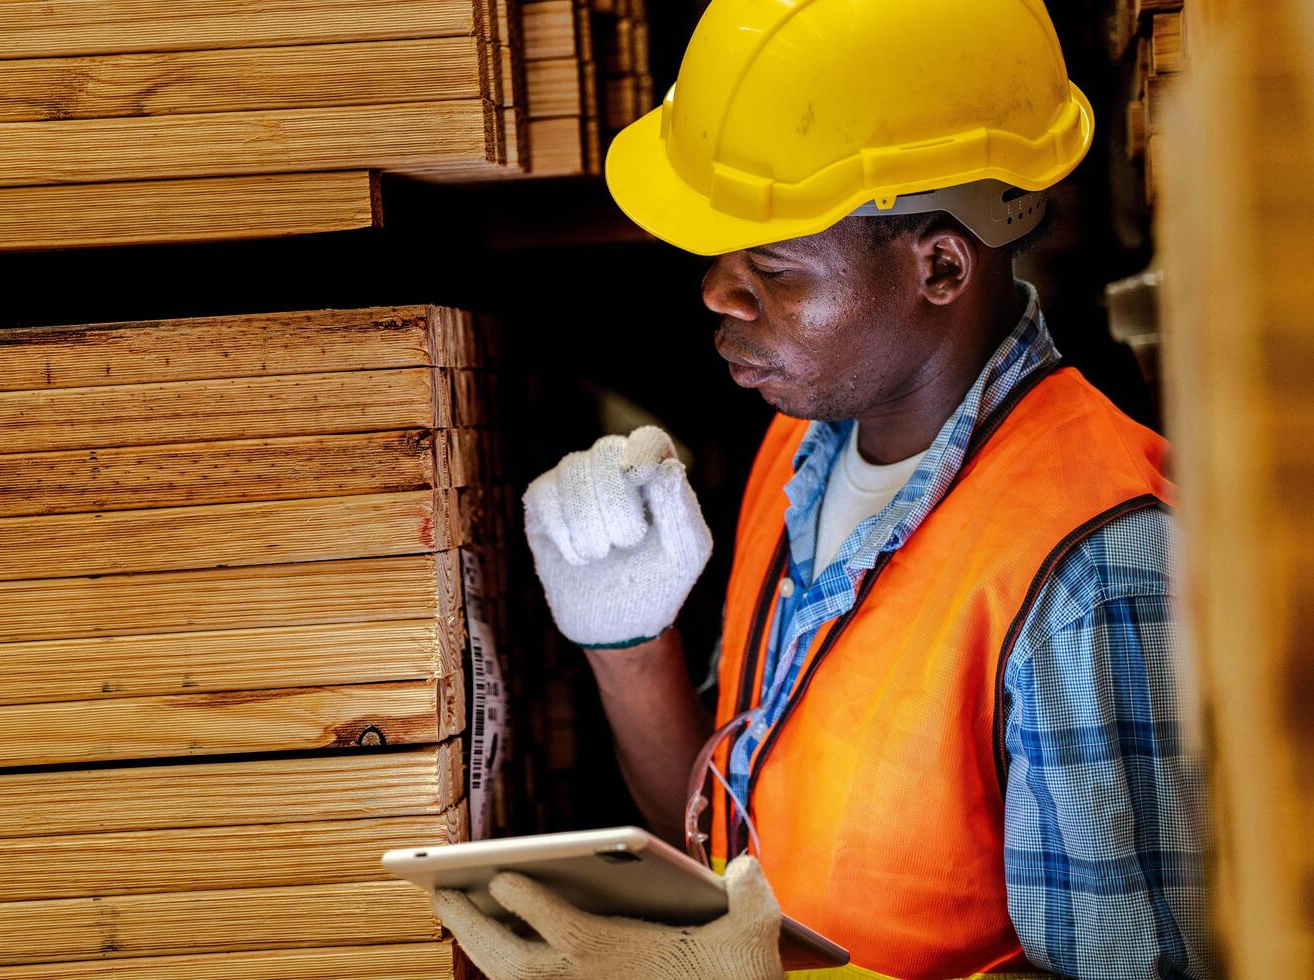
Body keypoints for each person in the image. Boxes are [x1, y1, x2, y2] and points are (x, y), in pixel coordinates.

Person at [434, 1, 1211, 977]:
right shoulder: (804, 444)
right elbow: (737, 840)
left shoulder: (1096, 570)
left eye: (775, 262)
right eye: (725, 251)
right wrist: (628, 643)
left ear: (939, 263)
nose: (720, 289)